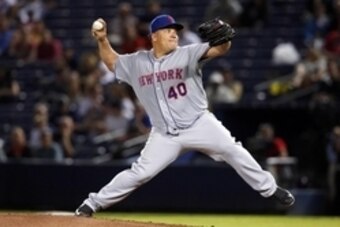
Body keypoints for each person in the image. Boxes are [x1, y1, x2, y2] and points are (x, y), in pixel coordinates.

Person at [75, 14, 295, 217]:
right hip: (164, 134)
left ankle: (270, 188)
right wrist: (103, 40)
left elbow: (220, 49)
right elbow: (112, 62)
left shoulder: (187, 53)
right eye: (168, 30)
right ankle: (91, 204)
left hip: (199, 123)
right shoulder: (136, 62)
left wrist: (224, 37)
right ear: (154, 36)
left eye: (175, 30)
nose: (174, 33)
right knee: (139, 173)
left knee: (232, 149)